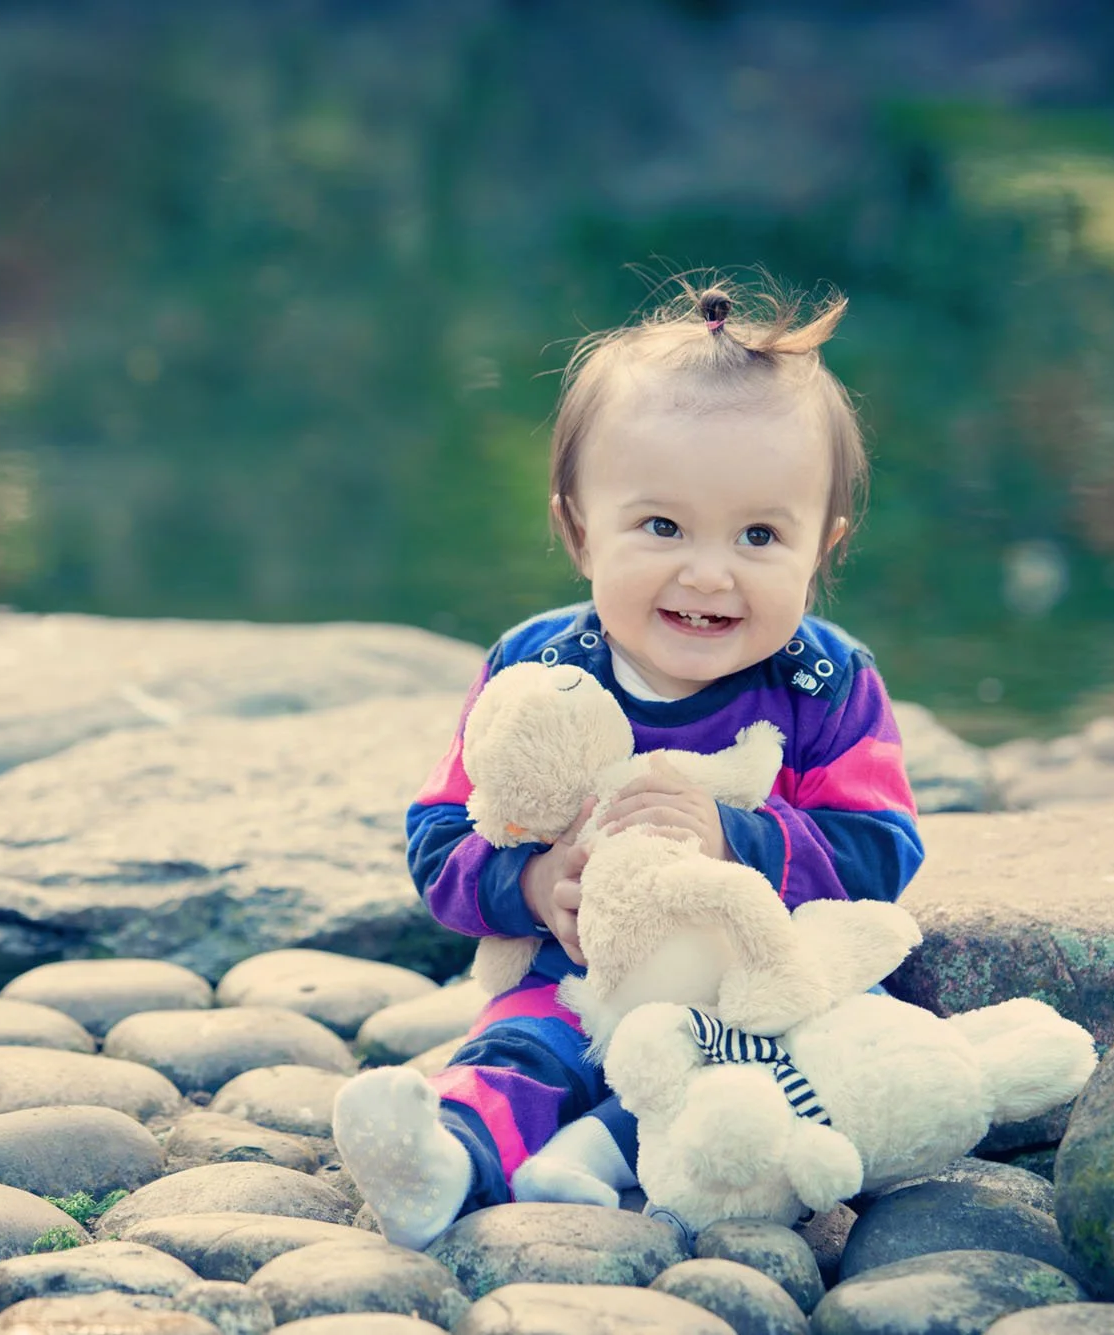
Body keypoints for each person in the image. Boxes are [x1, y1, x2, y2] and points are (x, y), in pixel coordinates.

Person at [331, 278, 925, 1250]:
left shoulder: (823, 684)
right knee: (521, 1045)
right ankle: (444, 1158)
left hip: (749, 988)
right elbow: (441, 838)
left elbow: (881, 849)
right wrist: (527, 880)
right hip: (577, 973)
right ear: (576, 532)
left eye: (759, 535)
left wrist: (737, 837)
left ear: (822, 549)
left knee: (756, 1071)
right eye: (660, 527)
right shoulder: (537, 673)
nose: (705, 572)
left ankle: (606, 1161)